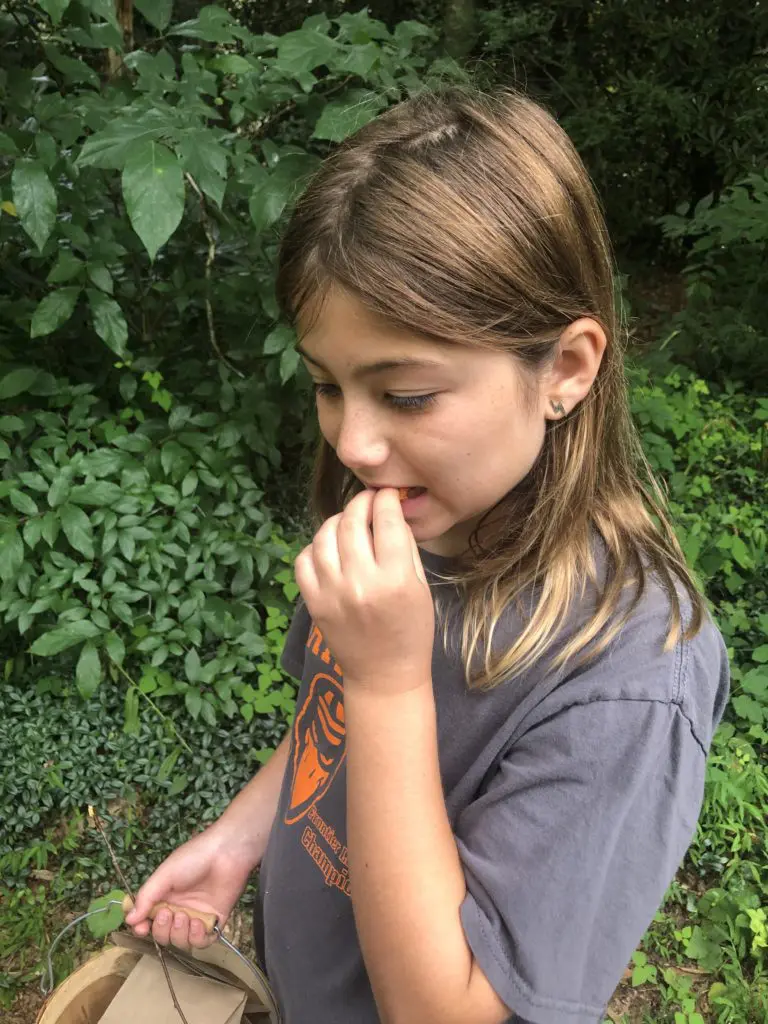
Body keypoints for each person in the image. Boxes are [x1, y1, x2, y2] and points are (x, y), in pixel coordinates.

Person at [126, 88, 730, 1024]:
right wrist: (242, 835)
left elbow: (450, 1011)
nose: (354, 444)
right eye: (328, 386)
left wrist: (390, 685)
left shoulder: (629, 679)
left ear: (566, 370)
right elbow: (328, 716)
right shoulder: (413, 520)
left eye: (405, 396)